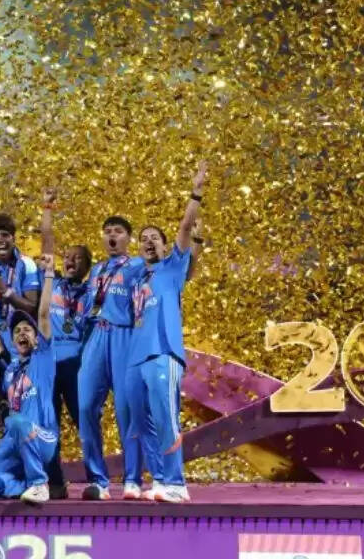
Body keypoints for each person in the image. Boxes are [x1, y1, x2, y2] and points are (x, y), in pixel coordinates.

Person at [125, 161, 206, 504]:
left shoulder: (173, 268)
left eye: (154, 239)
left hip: (163, 353)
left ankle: (176, 483)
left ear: (164, 246)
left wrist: (196, 193)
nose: (148, 242)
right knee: (141, 422)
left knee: (165, 417)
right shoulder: (136, 278)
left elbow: (186, 226)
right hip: (136, 358)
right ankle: (160, 479)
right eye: (143, 239)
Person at [77, 213, 147, 501]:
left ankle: (132, 479)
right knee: (85, 407)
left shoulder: (138, 265)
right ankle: (98, 480)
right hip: (96, 335)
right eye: (107, 231)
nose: (112, 236)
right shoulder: (97, 270)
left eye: (118, 231)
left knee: (126, 410)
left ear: (128, 238)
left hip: (125, 336)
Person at [37, 188, 91, 500]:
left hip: (76, 367)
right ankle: (55, 482)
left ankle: (97, 478)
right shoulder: (52, 282)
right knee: (49, 424)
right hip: (48, 364)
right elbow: (47, 243)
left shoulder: (91, 292)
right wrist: (47, 207)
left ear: (86, 266)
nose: (70, 261)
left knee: (85, 421)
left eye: (77, 258)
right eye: (67, 256)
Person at [0, 300, 58, 505]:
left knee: (17, 421)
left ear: (37, 338)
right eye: (17, 332)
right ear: (12, 341)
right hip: (14, 440)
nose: (22, 333)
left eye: (27, 330)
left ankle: (39, 483)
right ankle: (24, 486)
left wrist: (49, 280)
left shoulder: (43, 357)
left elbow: (43, 314)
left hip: (42, 436)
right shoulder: (10, 372)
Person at [0, 213, 41, 354]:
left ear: (14, 239)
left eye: (5, 235)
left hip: (24, 344)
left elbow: (31, 307)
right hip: (2, 345)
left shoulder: (26, 264)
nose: (1, 240)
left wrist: (6, 292)